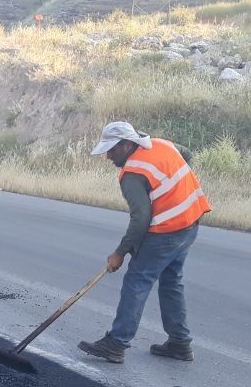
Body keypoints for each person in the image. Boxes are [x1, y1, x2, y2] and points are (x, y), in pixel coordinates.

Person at [77, 121, 211, 364]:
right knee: (172, 282)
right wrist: (173, 191)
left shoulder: (133, 174)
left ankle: (116, 344)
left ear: (128, 144)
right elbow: (187, 156)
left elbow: (140, 220)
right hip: (190, 222)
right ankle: (180, 343)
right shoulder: (162, 145)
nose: (108, 156)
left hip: (167, 231)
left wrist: (120, 253)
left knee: (136, 281)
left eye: (112, 150)